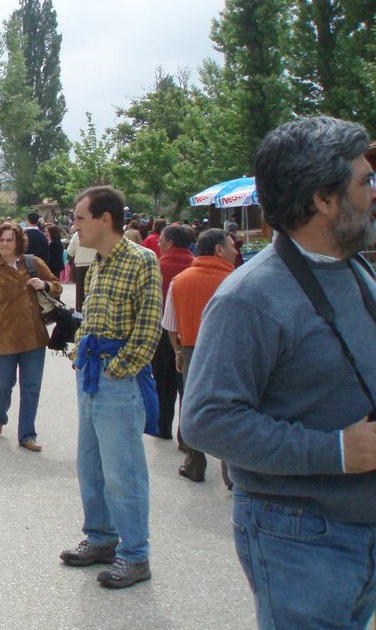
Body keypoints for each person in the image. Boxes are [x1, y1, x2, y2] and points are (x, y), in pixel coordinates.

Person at [183, 117, 376, 629]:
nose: (374, 193)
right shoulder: (249, 298)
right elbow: (204, 420)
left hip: (356, 525)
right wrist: (335, 450)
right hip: (301, 534)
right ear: (323, 199)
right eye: (364, 181)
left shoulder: (355, 266)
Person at [60, 185, 162, 590]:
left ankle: (135, 555)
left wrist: (117, 370)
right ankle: (101, 539)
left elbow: (148, 328)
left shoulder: (142, 261)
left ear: (106, 219)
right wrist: (79, 357)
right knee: (91, 465)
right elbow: (91, 319)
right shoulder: (97, 262)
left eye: (80, 218)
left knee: (124, 471)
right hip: (91, 374)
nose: (75, 226)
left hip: (117, 379)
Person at [0, 221, 62, 451]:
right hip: (6, 339)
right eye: (1, 240)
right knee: (3, 384)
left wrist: (44, 284)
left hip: (35, 337)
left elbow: (57, 285)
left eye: (9, 240)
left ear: (18, 242)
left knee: (31, 386)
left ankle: (27, 434)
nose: (5, 244)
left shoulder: (33, 263)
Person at [162, 227, 237, 483]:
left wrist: (177, 350)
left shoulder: (180, 280)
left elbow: (170, 323)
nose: (235, 250)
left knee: (193, 404)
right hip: (230, 350)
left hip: (192, 348)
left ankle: (194, 464)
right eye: (231, 245)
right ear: (218, 249)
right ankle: (232, 474)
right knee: (231, 407)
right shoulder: (236, 280)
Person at [153, 223, 194, 441]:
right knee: (186, 387)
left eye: (160, 241)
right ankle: (185, 436)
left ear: (169, 243)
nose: (158, 244)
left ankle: (163, 426)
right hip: (191, 334)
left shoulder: (157, 266)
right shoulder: (196, 265)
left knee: (163, 381)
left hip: (161, 332)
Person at [67, 230, 97, 312]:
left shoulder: (77, 235)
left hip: (80, 266)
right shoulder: (97, 232)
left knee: (80, 293)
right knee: (94, 291)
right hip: (95, 265)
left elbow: (70, 251)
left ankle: (80, 313)